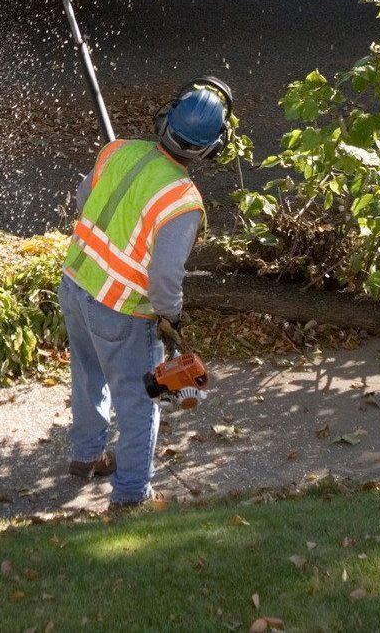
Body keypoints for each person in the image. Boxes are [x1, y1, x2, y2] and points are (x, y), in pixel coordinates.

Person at [58, 76, 234, 508]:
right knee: (138, 403)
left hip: (75, 285)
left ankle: (87, 455)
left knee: (87, 374)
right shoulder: (181, 201)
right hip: (120, 311)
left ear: (165, 118)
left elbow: (83, 201)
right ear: (212, 148)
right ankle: (132, 495)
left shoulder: (118, 151)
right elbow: (164, 282)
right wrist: (172, 318)